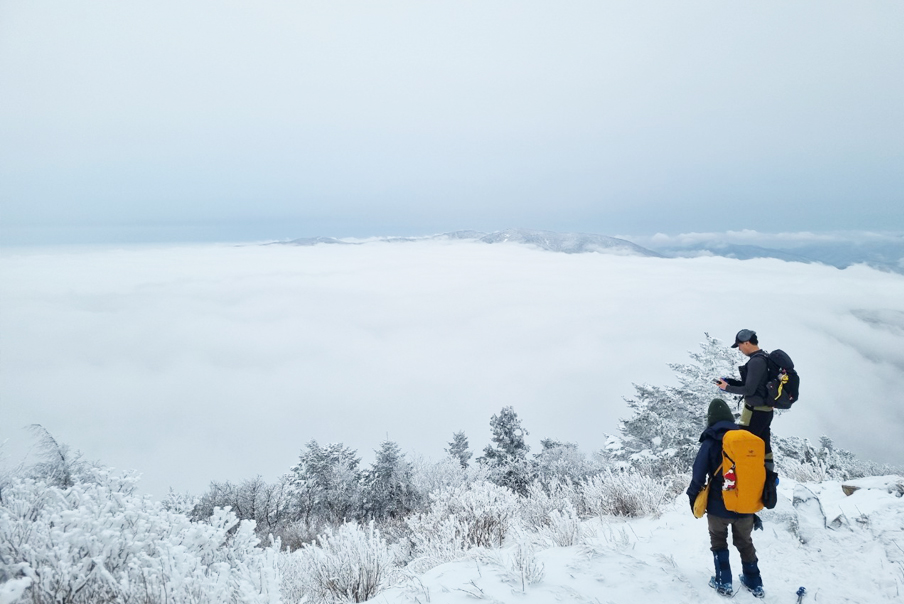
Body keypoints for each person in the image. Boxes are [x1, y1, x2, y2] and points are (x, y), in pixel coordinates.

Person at [687, 398, 765, 598]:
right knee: (745, 542)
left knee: (719, 542)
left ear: (710, 420)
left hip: (717, 506)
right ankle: (754, 582)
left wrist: (692, 495)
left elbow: (698, 473)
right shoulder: (747, 439)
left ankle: (724, 582)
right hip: (746, 506)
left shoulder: (711, 440)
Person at [716, 329, 774, 472]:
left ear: (747, 343)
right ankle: (768, 476)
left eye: (740, 346)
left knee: (745, 445)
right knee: (764, 443)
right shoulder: (765, 358)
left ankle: (746, 475)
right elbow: (756, 386)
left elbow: (749, 390)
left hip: (754, 412)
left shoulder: (756, 362)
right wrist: (731, 383)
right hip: (766, 411)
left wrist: (727, 388)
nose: (740, 349)